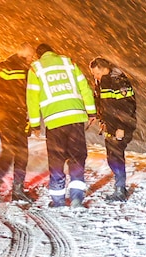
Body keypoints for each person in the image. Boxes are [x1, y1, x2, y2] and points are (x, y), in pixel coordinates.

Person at [26, 43, 97, 208]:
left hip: (55, 121)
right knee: (77, 158)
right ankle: (77, 198)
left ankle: (58, 200)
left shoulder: (36, 69)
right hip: (75, 117)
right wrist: (91, 112)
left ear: (39, 55)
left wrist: (35, 124)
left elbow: (32, 99)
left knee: (56, 160)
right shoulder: (68, 63)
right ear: (53, 52)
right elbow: (84, 88)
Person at [0, 43, 35, 203]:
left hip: (14, 116)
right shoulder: (9, 66)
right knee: (13, 153)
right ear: (21, 52)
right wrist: (14, 100)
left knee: (17, 153)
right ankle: (7, 189)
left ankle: (11, 189)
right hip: (8, 116)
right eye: (29, 55)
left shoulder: (18, 68)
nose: (30, 59)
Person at [87, 57, 137, 202]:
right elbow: (105, 104)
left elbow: (127, 106)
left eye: (96, 73)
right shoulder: (103, 81)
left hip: (120, 126)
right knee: (112, 157)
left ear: (104, 69)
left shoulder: (118, 81)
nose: (94, 76)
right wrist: (100, 118)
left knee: (116, 156)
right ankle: (120, 186)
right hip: (111, 125)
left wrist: (121, 127)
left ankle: (120, 190)